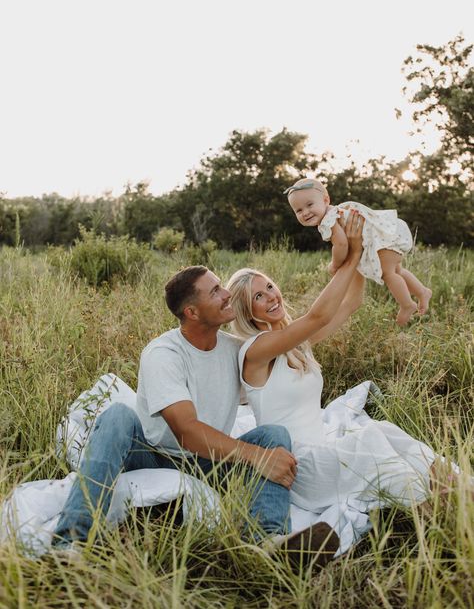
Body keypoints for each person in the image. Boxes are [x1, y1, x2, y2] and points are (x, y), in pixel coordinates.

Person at [51, 264, 353, 569]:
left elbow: (306, 332)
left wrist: (351, 256)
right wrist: (256, 457)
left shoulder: (234, 349)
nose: (227, 295)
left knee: (274, 435)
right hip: (155, 454)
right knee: (117, 415)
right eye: (216, 292)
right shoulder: (163, 354)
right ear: (193, 312)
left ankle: (266, 544)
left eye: (221, 286)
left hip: (208, 463)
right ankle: (70, 542)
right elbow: (186, 430)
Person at [226, 212, 448, 520]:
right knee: (370, 439)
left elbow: (350, 304)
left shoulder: (294, 342)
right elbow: (318, 316)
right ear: (247, 311)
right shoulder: (256, 350)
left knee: (384, 430)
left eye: (270, 287)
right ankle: (436, 507)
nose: (271, 297)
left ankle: (456, 487)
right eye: (258, 297)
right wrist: (353, 252)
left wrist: (362, 252)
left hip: (323, 447)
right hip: (301, 467)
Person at [284, 177, 432, 325]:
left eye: (310, 204)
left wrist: (335, 264)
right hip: (386, 237)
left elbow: (341, 245)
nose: (305, 212)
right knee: (397, 271)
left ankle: (407, 305)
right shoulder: (334, 212)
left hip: (381, 241)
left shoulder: (329, 220)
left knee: (388, 273)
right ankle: (422, 292)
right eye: (299, 210)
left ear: (325, 200)